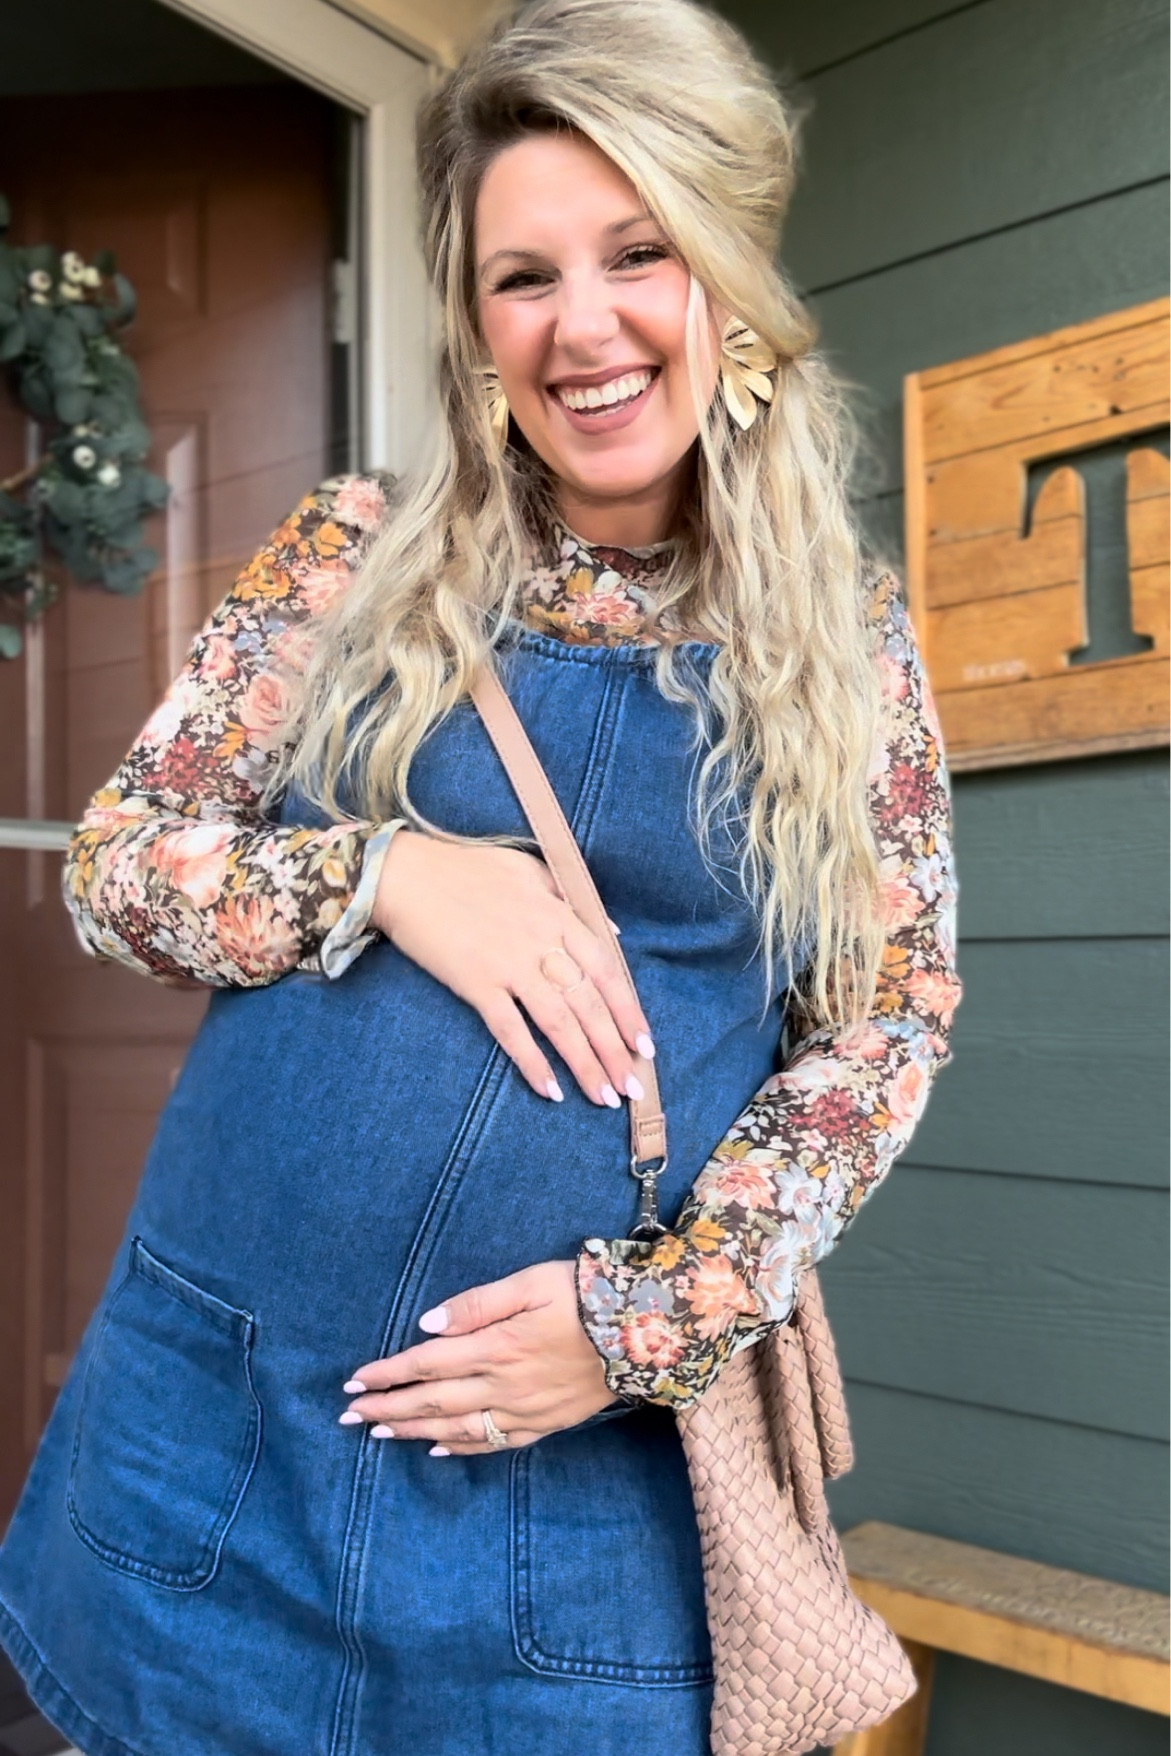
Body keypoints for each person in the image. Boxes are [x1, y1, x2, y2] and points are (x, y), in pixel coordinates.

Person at [0, 0, 960, 1750]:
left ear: (728, 281)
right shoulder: (349, 555)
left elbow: (885, 1031)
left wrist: (640, 1326)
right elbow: (121, 870)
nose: (580, 328)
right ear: (473, 320)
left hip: (572, 1493)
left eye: (638, 254)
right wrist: (387, 877)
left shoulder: (849, 645)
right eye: (522, 278)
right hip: (220, 1435)